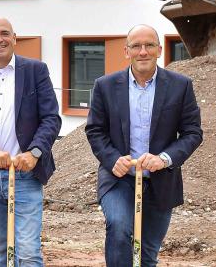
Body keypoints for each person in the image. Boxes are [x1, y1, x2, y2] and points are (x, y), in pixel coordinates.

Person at [85, 24, 203, 267]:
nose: (143, 52)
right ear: (126, 51)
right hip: (119, 179)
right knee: (119, 229)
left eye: (149, 45)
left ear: (159, 49)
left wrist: (165, 158)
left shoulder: (180, 86)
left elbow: (192, 132)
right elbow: (95, 130)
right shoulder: (105, 86)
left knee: (147, 254)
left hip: (161, 181)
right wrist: (112, 159)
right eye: (136, 46)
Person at [0, 17, 62, 267]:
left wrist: (35, 152)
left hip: (26, 174)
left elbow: (51, 118)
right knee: (1, 249)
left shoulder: (36, 70)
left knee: (27, 251)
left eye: (5, 33)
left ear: (15, 39)